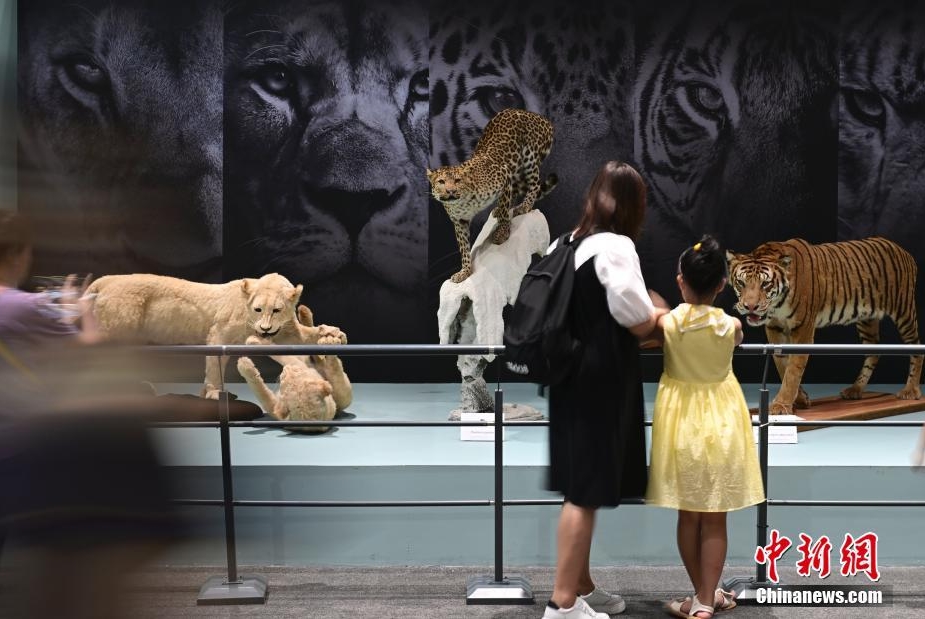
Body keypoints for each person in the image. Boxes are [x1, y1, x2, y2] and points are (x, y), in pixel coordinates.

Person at [544, 161, 667, 619]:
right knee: (586, 492)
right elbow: (635, 318)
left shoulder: (567, 241)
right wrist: (661, 311)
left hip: (568, 378)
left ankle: (581, 586)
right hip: (600, 380)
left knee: (578, 486)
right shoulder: (615, 247)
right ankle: (562, 604)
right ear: (632, 205)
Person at [645, 235, 765, 618]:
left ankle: (701, 599)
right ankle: (706, 598)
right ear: (722, 284)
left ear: (680, 280)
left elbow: (651, 320)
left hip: (680, 422)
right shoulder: (730, 325)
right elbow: (737, 337)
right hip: (723, 419)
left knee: (688, 514)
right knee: (715, 518)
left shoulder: (670, 322)